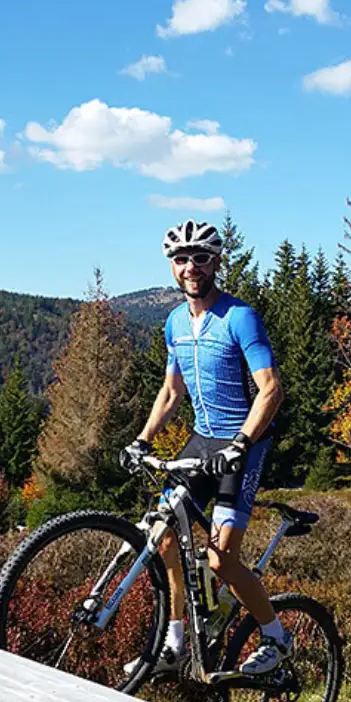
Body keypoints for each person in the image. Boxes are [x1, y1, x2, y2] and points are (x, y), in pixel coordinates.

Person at [119, 218, 290, 676]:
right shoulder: (174, 322)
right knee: (164, 537)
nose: (190, 267)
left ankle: (276, 638)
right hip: (201, 438)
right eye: (181, 259)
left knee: (220, 558)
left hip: (242, 443)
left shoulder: (240, 317)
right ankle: (175, 647)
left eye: (200, 257)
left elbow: (270, 389)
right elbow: (172, 392)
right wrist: (142, 439)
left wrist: (241, 442)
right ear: (172, 268)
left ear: (216, 262)